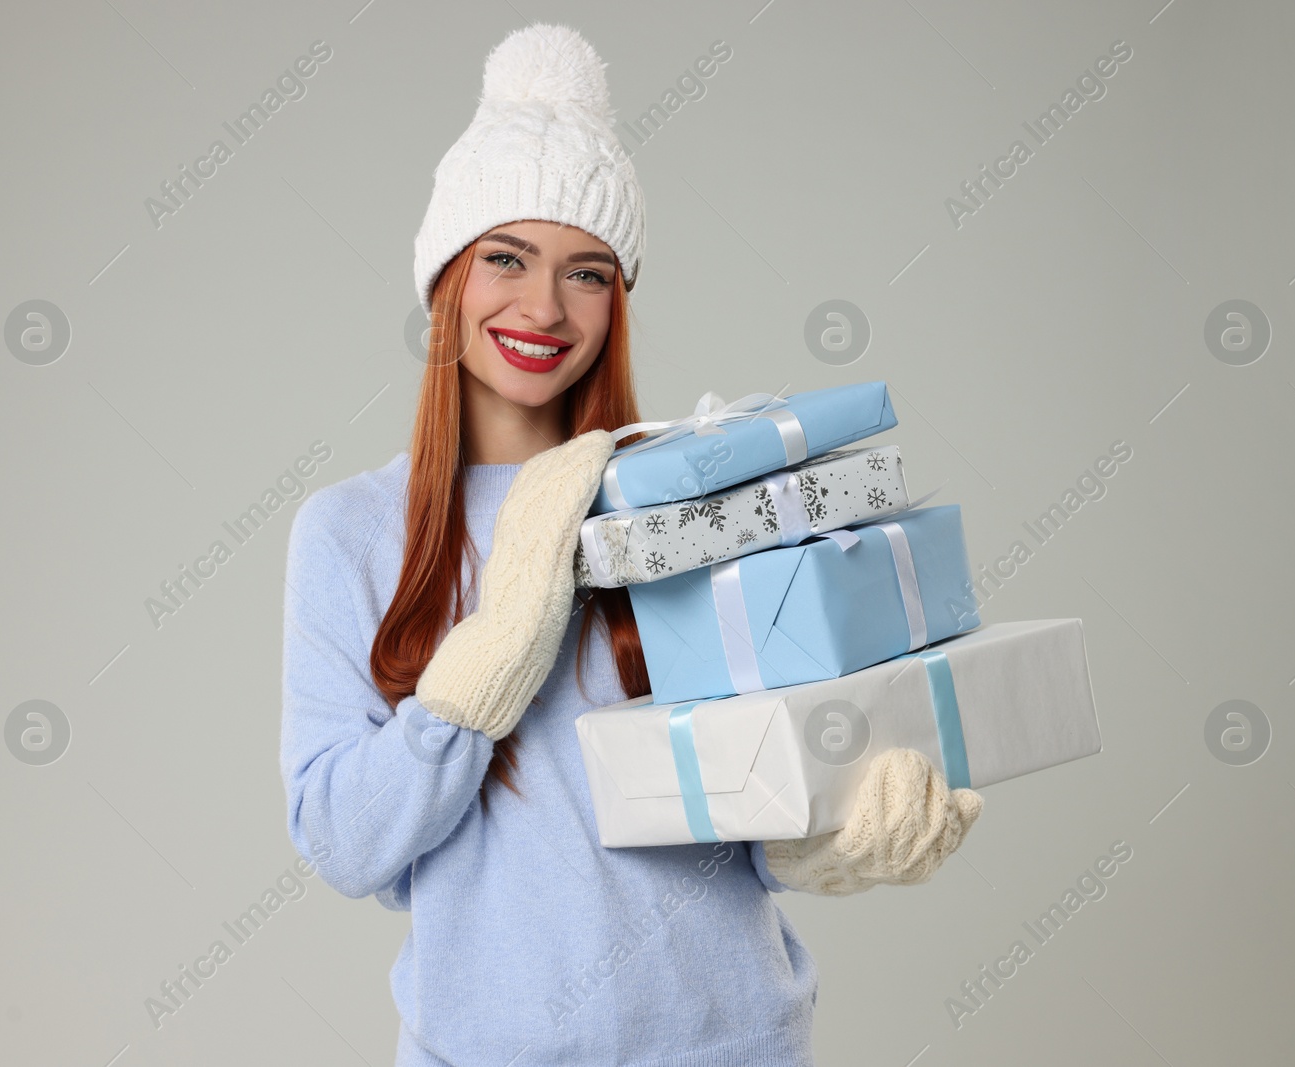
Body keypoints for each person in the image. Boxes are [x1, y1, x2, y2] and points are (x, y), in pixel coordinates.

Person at [279, 23, 985, 1065]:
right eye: (505, 259)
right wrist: (493, 651)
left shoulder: (687, 495)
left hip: (732, 1040)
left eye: (588, 272)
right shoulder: (346, 534)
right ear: (447, 280)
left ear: (618, 300)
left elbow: (741, 790)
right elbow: (346, 842)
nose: (542, 306)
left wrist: (829, 836)